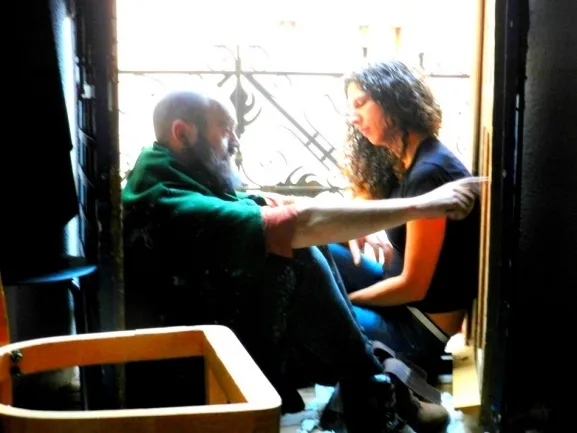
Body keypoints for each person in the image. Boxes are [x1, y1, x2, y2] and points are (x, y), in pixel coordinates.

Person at [121, 88, 483, 432]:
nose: (235, 140)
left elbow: (248, 204)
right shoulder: (164, 199)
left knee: (312, 247)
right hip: (185, 349)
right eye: (225, 129)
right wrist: (426, 205)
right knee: (298, 253)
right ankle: (372, 392)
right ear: (183, 134)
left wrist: (309, 216)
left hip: (207, 306)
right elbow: (290, 224)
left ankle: (369, 388)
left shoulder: (166, 168)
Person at [330, 59, 481, 377]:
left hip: (416, 328)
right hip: (400, 302)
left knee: (317, 310)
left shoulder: (430, 174)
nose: (354, 118)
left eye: (361, 103)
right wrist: (358, 230)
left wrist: (344, 301)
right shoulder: (407, 160)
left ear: (393, 99)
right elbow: (362, 201)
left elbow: (412, 287)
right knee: (317, 250)